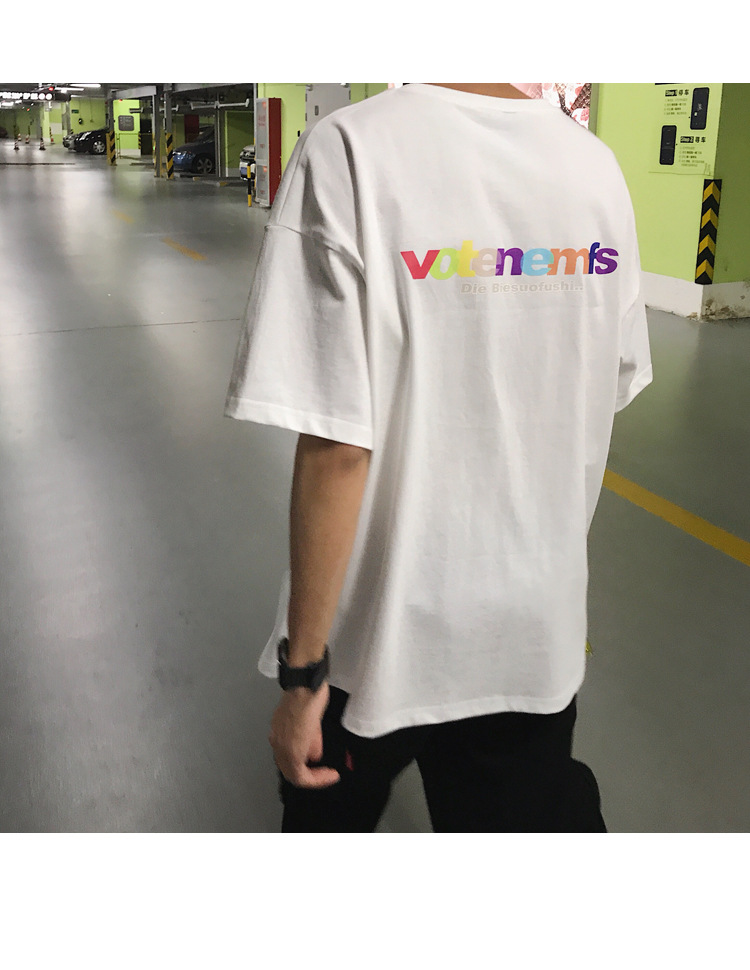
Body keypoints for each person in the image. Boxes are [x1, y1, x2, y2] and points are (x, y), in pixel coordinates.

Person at [224, 82, 653, 832]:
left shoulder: (351, 150)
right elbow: (607, 380)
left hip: (380, 635)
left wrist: (304, 674)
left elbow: (337, 446)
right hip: (532, 627)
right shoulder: (595, 169)